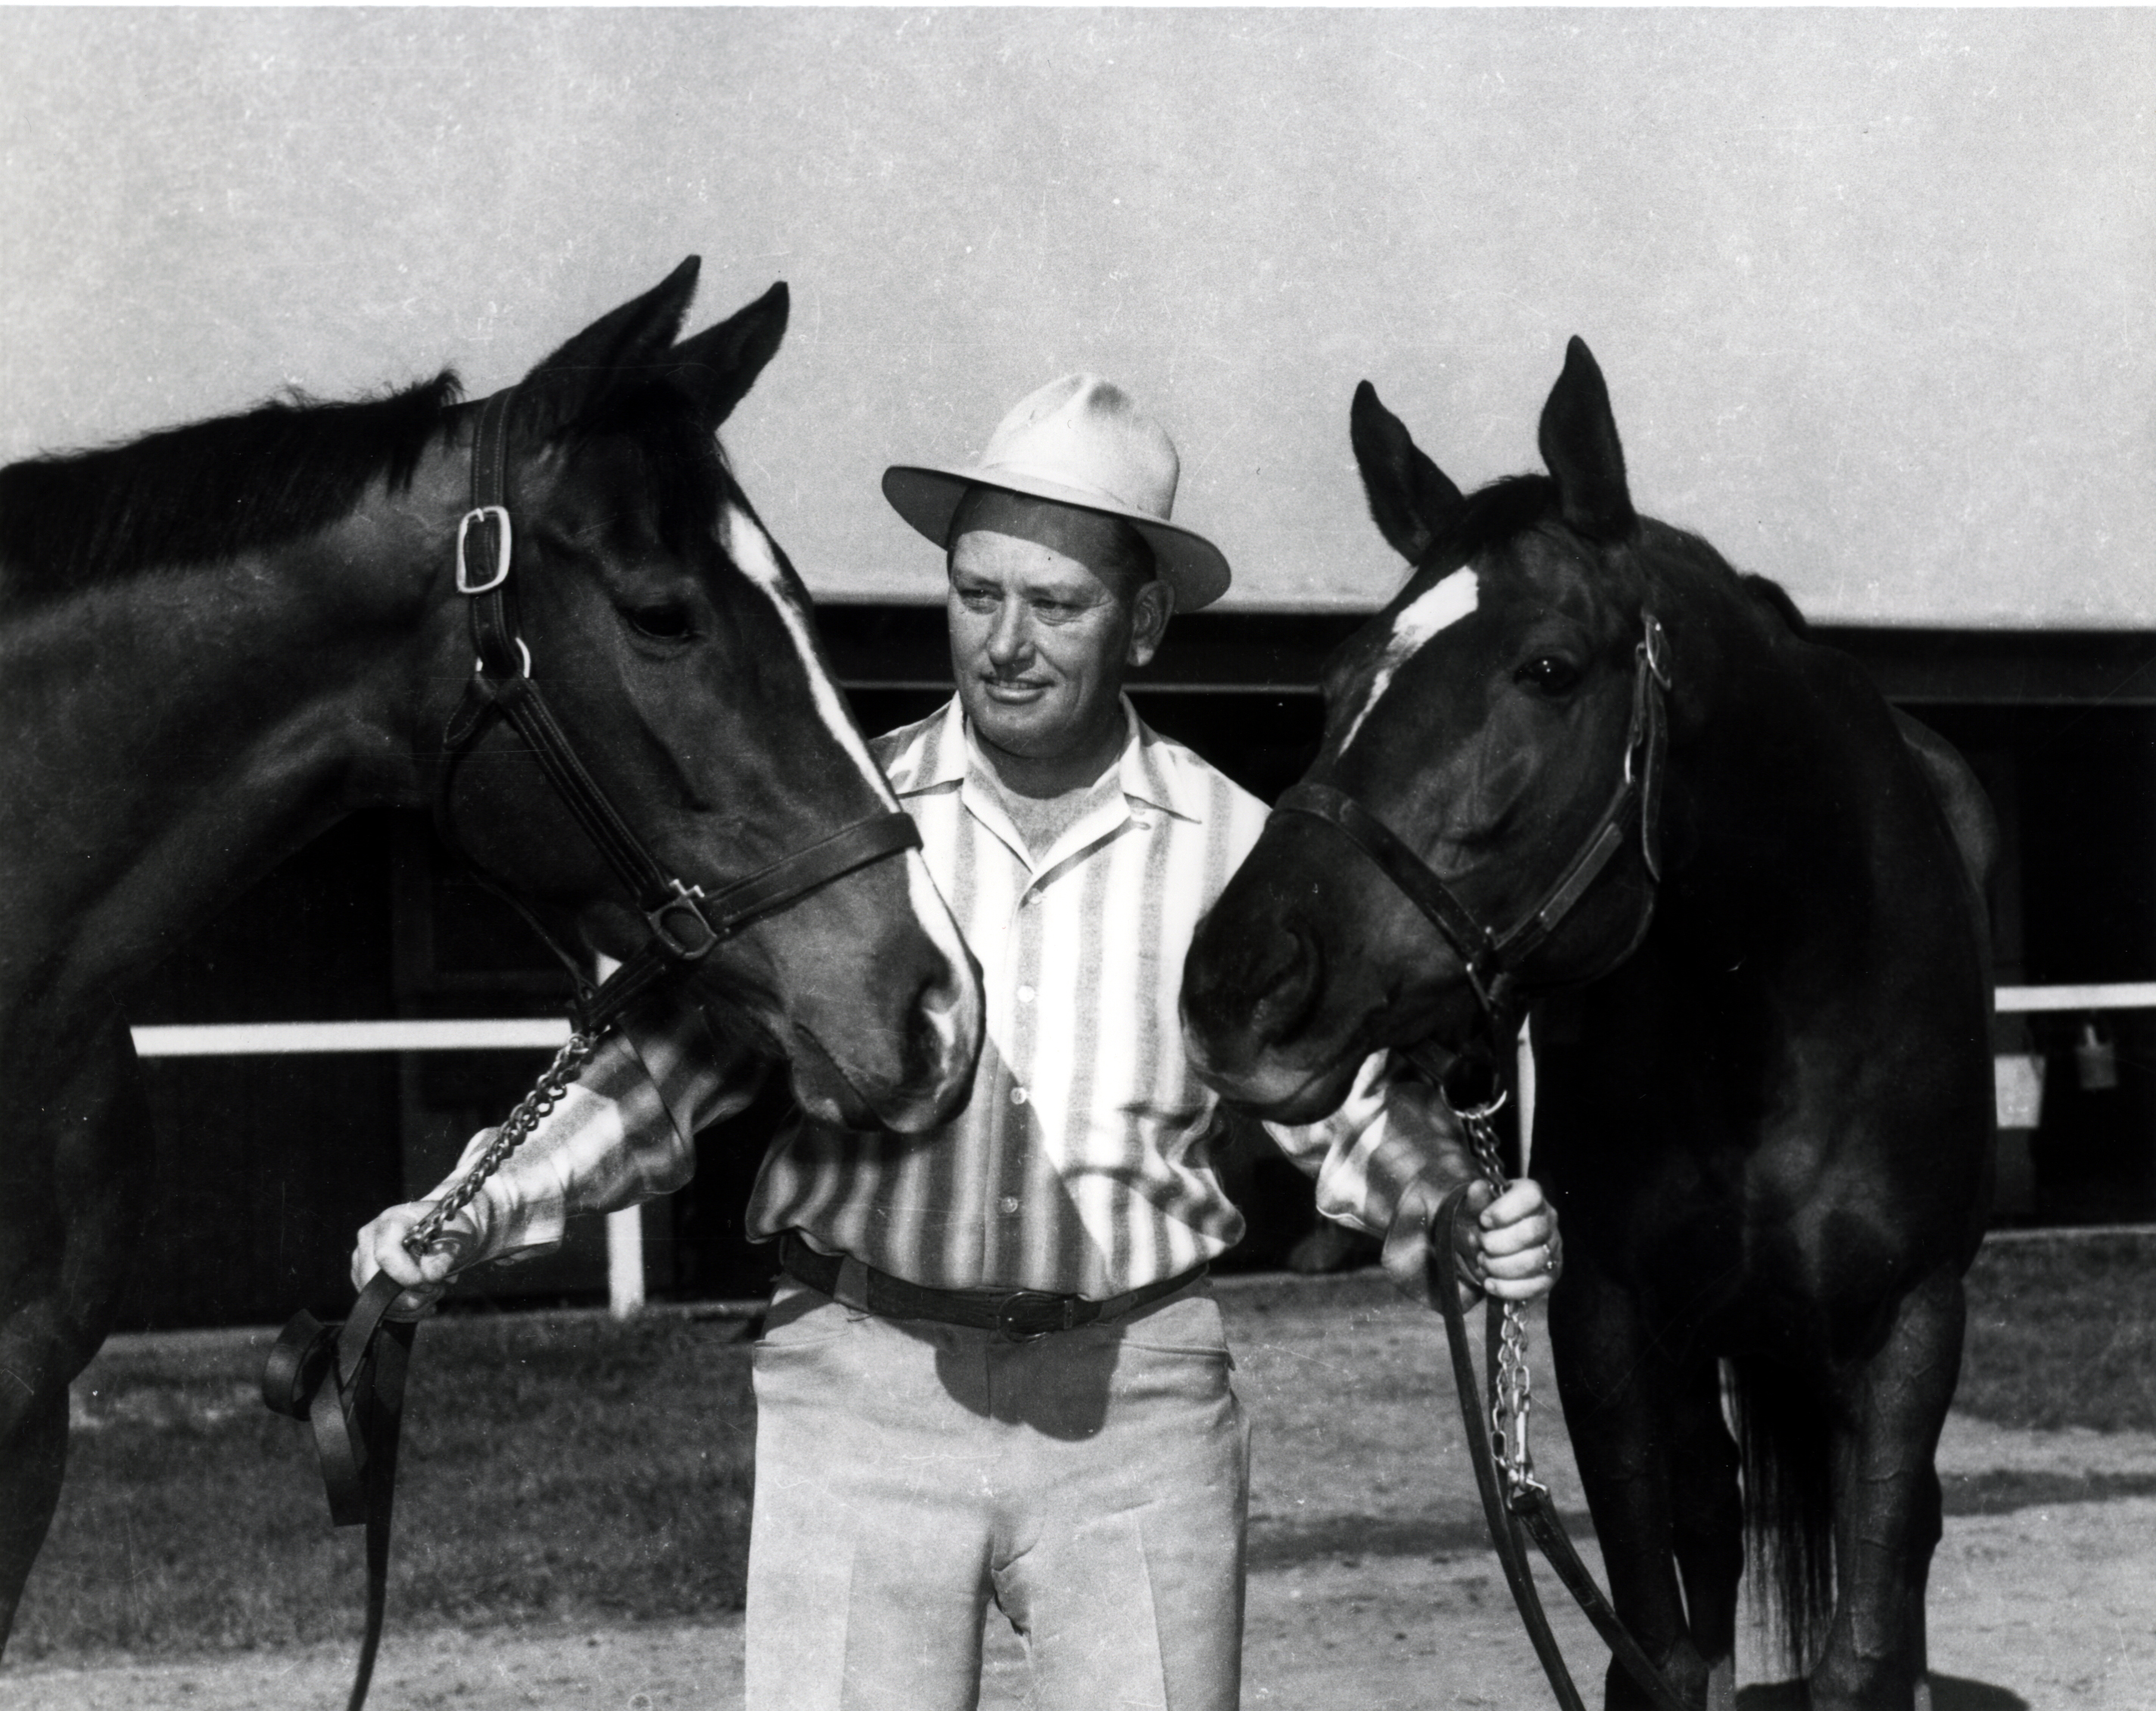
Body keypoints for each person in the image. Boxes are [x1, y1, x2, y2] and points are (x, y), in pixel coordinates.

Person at [353, 372, 1562, 1711]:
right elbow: (664, 1071)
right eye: (977, 594)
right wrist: (488, 1195)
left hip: (1137, 1406)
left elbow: (1338, 1106)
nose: (1007, 643)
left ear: (1145, 622)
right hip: (861, 1398)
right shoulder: (840, 826)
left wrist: (1453, 1210)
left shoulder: (1239, 850)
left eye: (1056, 605)